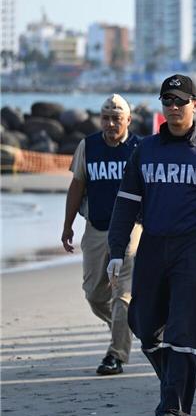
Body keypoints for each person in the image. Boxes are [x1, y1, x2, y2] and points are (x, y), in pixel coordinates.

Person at [107, 74, 196, 416]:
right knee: (143, 324)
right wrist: (117, 250)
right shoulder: (144, 150)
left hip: (193, 249)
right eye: (168, 101)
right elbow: (126, 204)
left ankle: (172, 412)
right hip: (152, 247)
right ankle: (176, 377)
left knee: (184, 331)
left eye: (181, 101)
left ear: (195, 104)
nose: (174, 108)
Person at [61, 94, 141, 375]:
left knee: (123, 294)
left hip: (132, 229)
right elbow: (77, 185)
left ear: (128, 120)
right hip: (96, 227)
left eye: (116, 118)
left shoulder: (139, 149)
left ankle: (116, 354)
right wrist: (67, 225)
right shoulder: (89, 145)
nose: (109, 123)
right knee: (95, 294)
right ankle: (127, 326)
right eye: (105, 118)